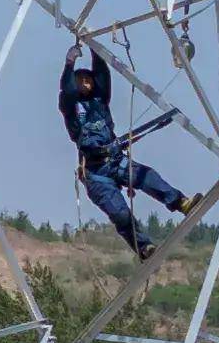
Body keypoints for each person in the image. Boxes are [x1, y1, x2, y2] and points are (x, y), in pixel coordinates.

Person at [59, 41, 190, 259]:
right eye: (80, 80)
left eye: (88, 79)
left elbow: (102, 74)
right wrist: (69, 64)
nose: (85, 82)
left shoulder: (100, 100)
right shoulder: (71, 109)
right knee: (120, 213)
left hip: (116, 160)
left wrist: (95, 49)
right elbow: (67, 91)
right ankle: (144, 247)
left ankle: (180, 202)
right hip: (95, 173)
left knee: (147, 177)